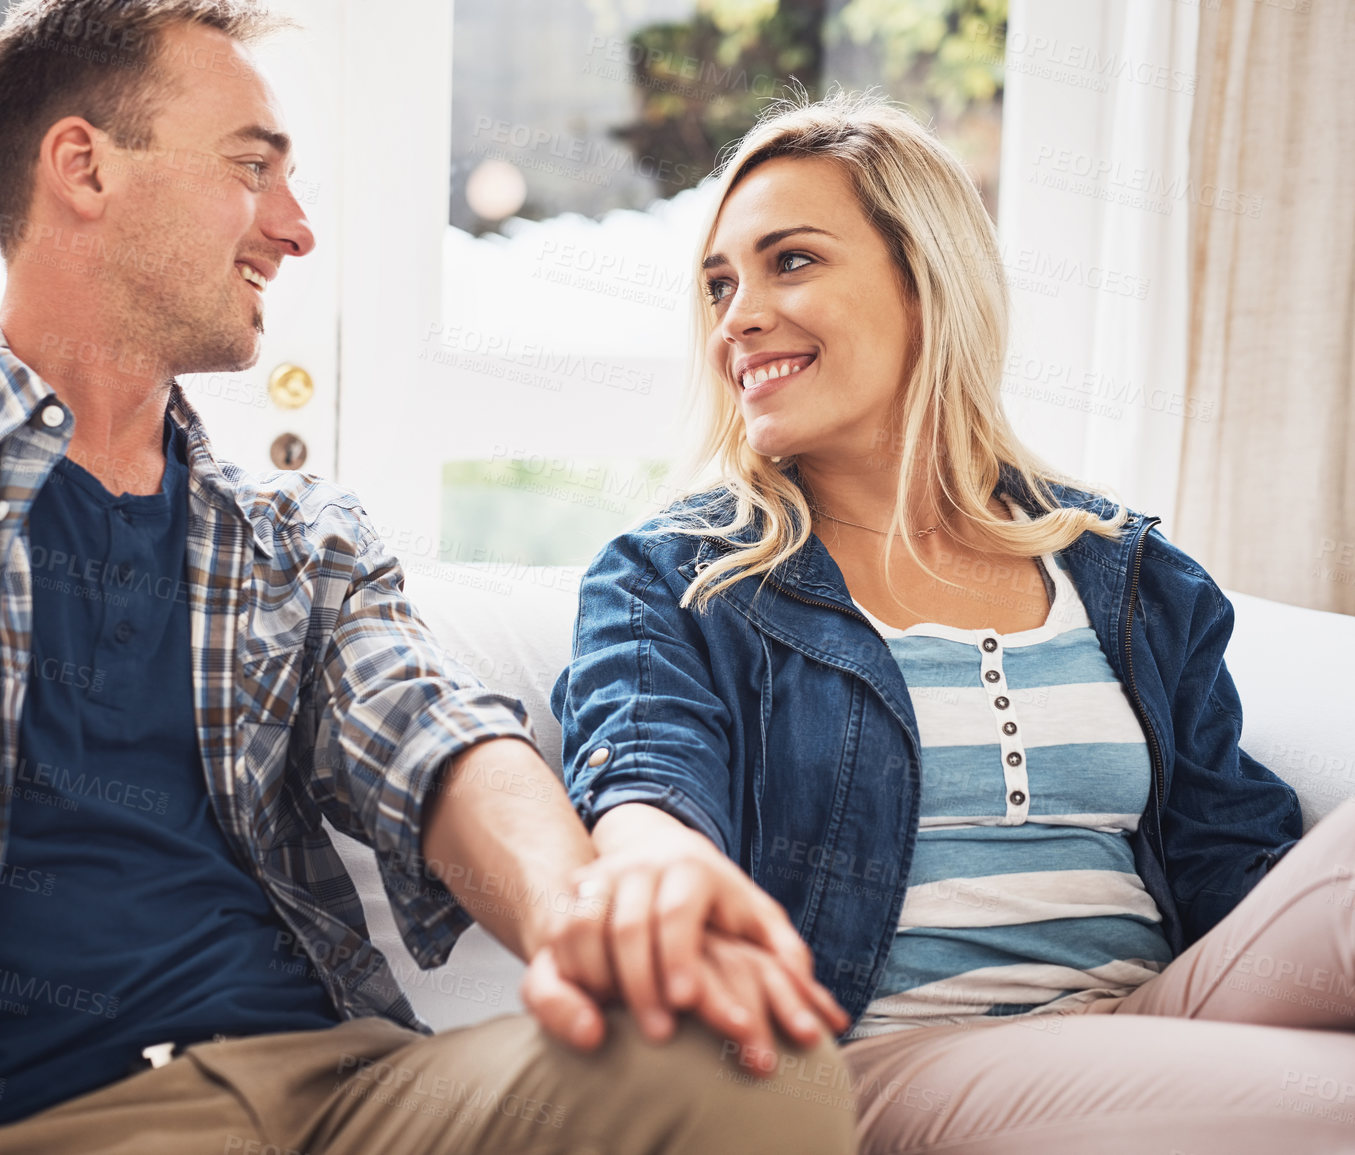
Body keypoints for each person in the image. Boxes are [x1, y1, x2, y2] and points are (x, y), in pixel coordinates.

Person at [0, 4, 857, 1152]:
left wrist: (576, 908)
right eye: (252, 167)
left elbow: (432, 735)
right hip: (26, 1122)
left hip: (336, 1091)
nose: (295, 225)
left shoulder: (293, 538)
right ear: (85, 166)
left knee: (753, 1060)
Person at [551, 91, 1355, 1154]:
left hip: (1168, 1021)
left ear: (926, 283)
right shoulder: (677, 580)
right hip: (891, 1066)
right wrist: (648, 859)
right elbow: (647, 771)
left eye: (789, 261)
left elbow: (1230, 858)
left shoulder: (1126, 573)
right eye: (718, 284)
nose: (735, 316)